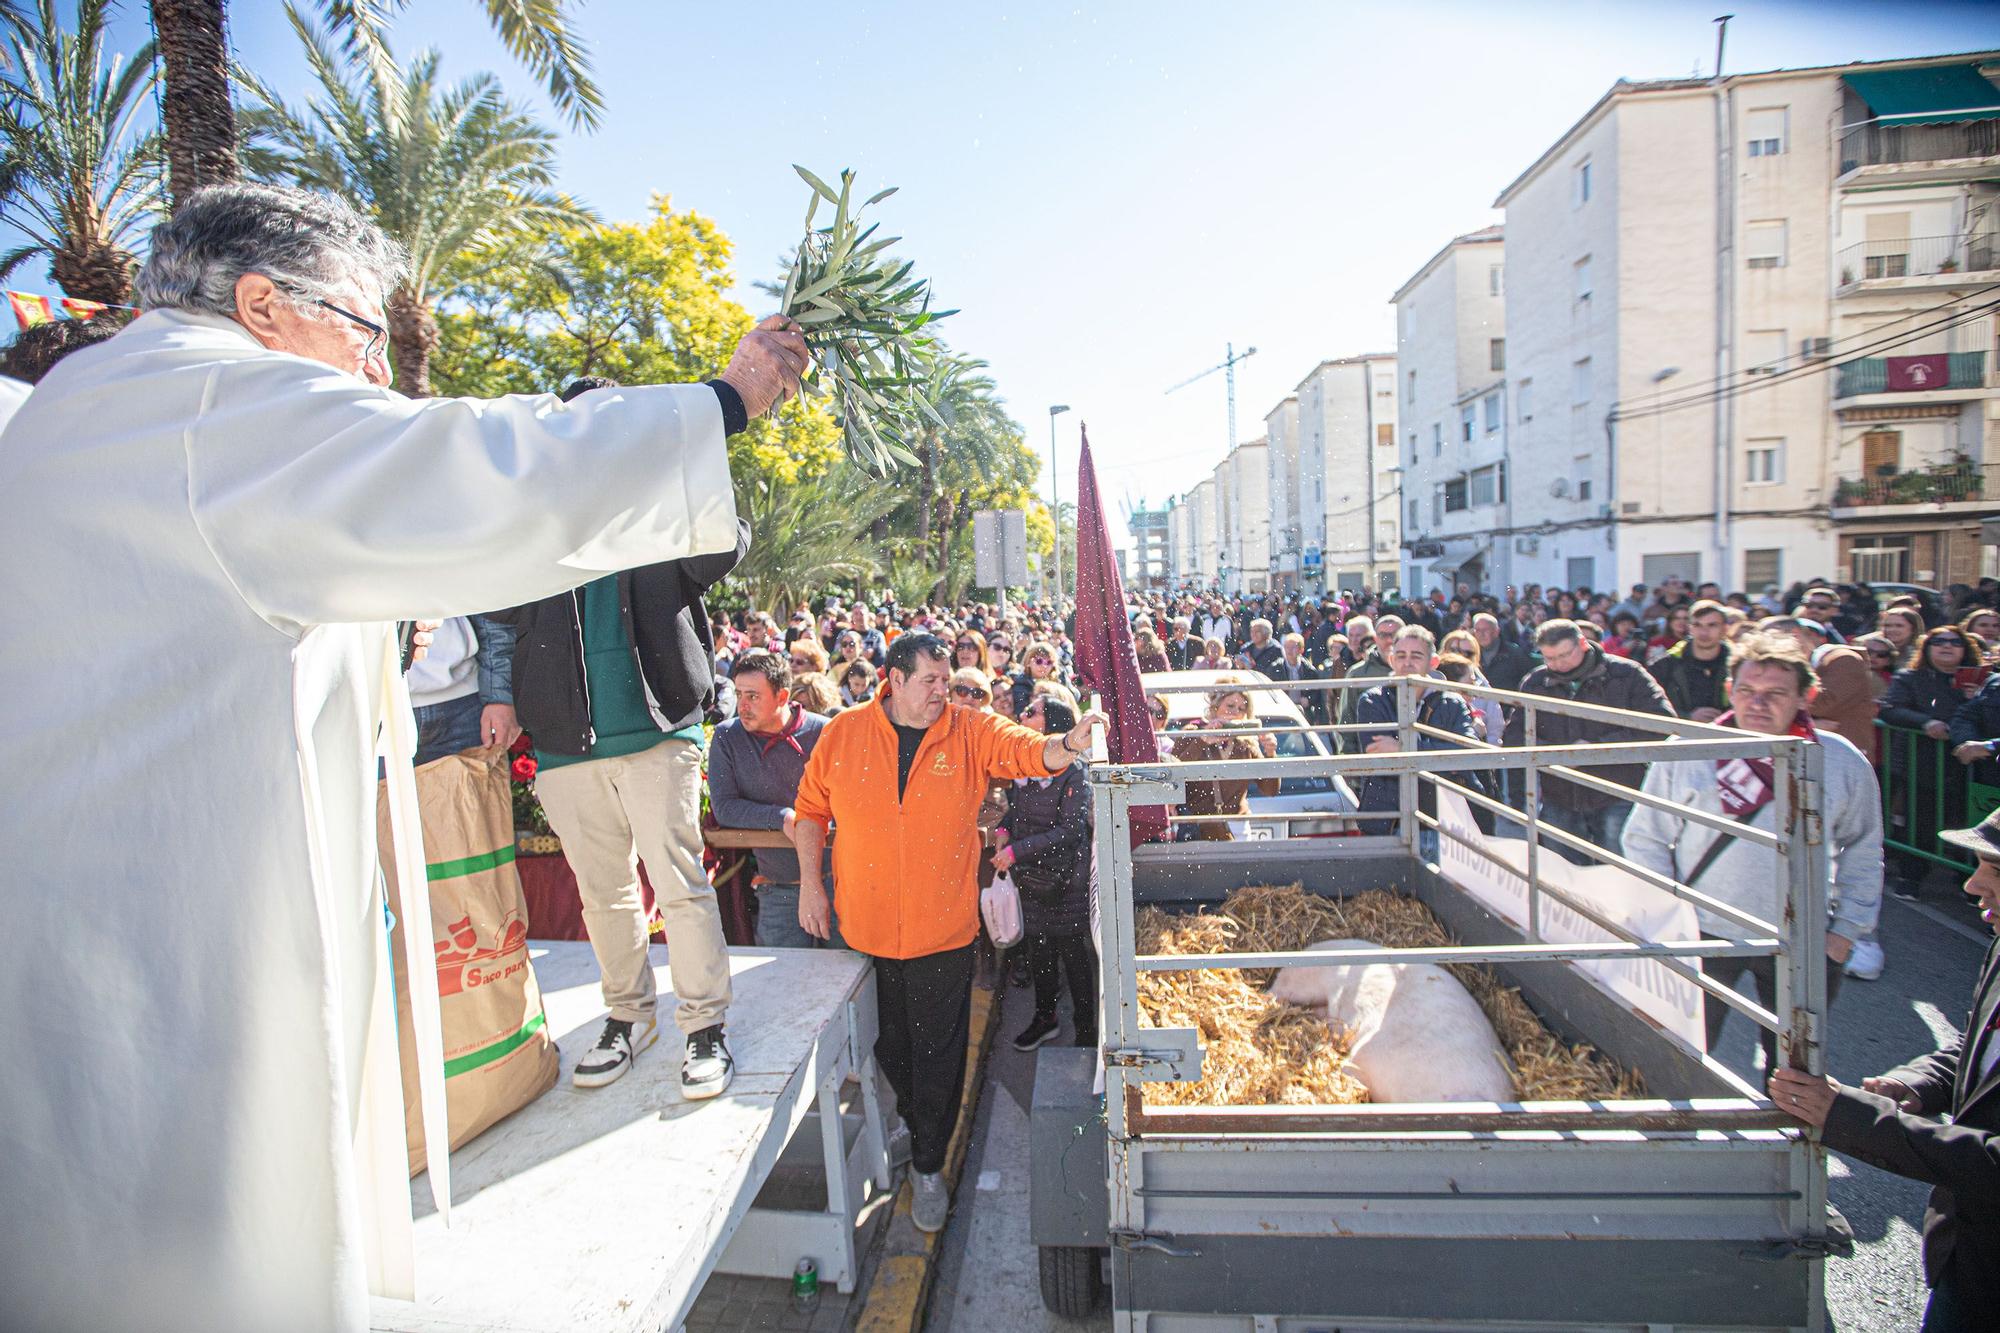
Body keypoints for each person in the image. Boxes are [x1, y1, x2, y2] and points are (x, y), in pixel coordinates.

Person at [0, 182, 805, 1330]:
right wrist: (721, 402)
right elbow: (470, 467)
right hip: (172, 968)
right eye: (364, 332)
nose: (375, 374)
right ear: (263, 304)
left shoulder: (83, 405)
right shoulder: (211, 397)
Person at [791, 634, 1104, 1234]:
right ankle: (916, 1120)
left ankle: (929, 1165)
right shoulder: (843, 733)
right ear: (894, 680)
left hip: (944, 934)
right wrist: (811, 885)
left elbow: (1024, 750)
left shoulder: (968, 729)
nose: (944, 691)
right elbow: (809, 811)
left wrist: (1066, 744)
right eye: (931, 681)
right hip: (864, 932)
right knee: (889, 1049)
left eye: (948, 679)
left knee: (937, 1054)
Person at [501, 375, 749, 1097]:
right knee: (602, 893)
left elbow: (724, 545)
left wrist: (690, 460)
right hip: (564, 743)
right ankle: (628, 1015)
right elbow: (500, 613)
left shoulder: (660, 500)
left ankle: (704, 1026)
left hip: (657, 726)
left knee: (679, 885)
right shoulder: (533, 518)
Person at [1769, 805, 2000, 1332]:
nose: (1972, 885)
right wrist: (1916, 1084)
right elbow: (1978, 1047)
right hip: (1970, 1251)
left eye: (1997, 870)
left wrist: (1853, 1116)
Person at [1624, 633, 1882, 1064]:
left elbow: (1863, 847)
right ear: (1729, 691)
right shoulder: (1690, 750)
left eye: (1775, 694)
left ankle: (1790, 1131)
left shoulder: (1837, 759)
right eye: (1746, 691)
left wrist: (1843, 934)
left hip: (1803, 935)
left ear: (1807, 695)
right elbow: (1645, 838)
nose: (1758, 703)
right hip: (1701, 931)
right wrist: (1668, 917)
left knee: (1794, 1065)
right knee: (1682, 1053)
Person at [1504, 619, 1676, 861]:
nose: (1557, 665)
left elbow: (1661, 723)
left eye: (1564, 655)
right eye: (1549, 658)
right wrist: (1556, 754)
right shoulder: (1536, 682)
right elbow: (1514, 735)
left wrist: (1597, 747)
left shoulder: (1627, 675)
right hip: (1560, 795)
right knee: (1563, 875)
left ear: (1583, 644)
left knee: (1621, 872)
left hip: (1617, 792)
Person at [707, 649, 838, 950]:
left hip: (837, 884)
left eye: (753, 696)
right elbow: (725, 807)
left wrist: (809, 824)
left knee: (846, 979)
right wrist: (781, 818)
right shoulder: (728, 737)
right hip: (777, 889)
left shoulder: (825, 732)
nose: (742, 705)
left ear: (782, 697)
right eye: (739, 694)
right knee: (783, 983)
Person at [995, 694, 1098, 1053]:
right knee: (1039, 952)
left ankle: (1087, 1030)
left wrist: (1015, 851)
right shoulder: (1023, 766)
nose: (1023, 713)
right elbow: (1017, 812)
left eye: (1031, 711)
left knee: (1074, 955)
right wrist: (1003, 831)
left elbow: (1070, 832)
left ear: (1050, 723)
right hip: (1032, 879)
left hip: (1066, 880)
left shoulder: (1074, 771)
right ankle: (1045, 1018)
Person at [1353, 627, 1478, 849]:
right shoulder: (1373, 700)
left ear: (1433, 662)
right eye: (1400, 656)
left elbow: (1466, 754)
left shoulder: (1451, 702)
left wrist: (1404, 748)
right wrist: (1439, 757)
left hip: (1442, 821)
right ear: (1391, 660)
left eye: (1416, 656)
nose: (1407, 662)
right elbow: (1381, 756)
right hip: (1389, 818)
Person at [1882, 627, 1983, 902]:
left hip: (1969, 766)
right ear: (1926, 648)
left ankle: (1970, 882)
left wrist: (1978, 699)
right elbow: (1891, 709)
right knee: (1920, 822)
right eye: (1938, 642)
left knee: (1969, 823)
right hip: (1923, 762)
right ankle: (1911, 876)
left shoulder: (1983, 679)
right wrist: (1924, 722)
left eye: (1954, 642)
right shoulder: (1910, 677)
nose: (1946, 647)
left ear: (1966, 648)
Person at [1171, 678, 1281, 840]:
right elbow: (1174, 773)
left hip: (1238, 825)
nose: (1235, 712)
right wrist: (1202, 740)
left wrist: (1271, 754)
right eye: (1230, 706)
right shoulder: (1192, 732)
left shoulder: (1246, 743)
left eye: (1241, 708)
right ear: (1216, 706)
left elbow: (1270, 790)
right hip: (1199, 825)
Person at [1648, 599, 1732, 723]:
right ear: (1690, 628)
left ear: (1725, 629)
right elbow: (1648, 708)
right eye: (1697, 625)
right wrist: (1687, 717)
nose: (1704, 632)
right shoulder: (1664, 665)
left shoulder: (1736, 665)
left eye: (1712, 625)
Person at [1272, 631, 1329, 727]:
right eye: (1286, 647)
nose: (1289, 651)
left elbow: (1316, 692)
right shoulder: (1276, 668)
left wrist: (1308, 700)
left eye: (1293, 647)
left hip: (1303, 710)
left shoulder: (1309, 670)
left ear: (1301, 650)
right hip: (1283, 709)